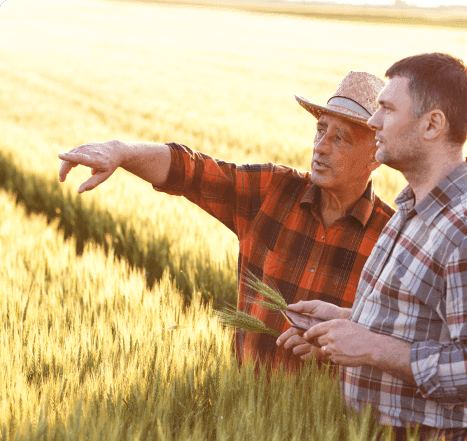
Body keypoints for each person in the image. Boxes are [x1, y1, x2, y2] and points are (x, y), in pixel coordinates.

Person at [58, 72, 395, 374]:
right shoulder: (272, 191)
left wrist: (340, 347)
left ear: (374, 153)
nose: (321, 147)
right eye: (320, 130)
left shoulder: (393, 238)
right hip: (245, 405)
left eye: (340, 138)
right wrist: (121, 152)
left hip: (329, 428)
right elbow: (191, 171)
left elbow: (403, 340)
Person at [277, 53, 467, 441]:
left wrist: (371, 346)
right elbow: (420, 321)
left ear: (432, 124)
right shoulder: (411, 209)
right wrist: (343, 323)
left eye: (387, 109)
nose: (373, 121)